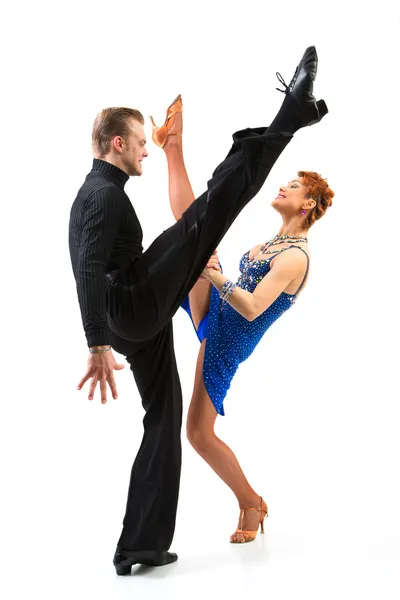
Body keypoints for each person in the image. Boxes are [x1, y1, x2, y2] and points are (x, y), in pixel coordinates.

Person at [68, 46, 328, 574]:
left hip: (144, 316)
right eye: (142, 144)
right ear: (117, 144)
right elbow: (87, 268)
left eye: (150, 145)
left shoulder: (105, 192)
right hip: (133, 306)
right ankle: (291, 113)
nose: (143, 150)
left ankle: (140, 545)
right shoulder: (100, 196)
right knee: (211, 210)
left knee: (165, 422)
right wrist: (96, 341)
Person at [153, 97, 334, 543]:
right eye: (287, 181)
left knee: (197, 433)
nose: (284, 187)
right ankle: (172, 147)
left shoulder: (295, 256)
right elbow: (236, 289)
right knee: (195, 231)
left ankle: (251, 502)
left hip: (228, 339)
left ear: (308, 205)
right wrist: (213, 273)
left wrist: (214, 275)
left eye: (294, 186)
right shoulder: (274, 243)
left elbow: (252, 308)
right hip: (217, 313)